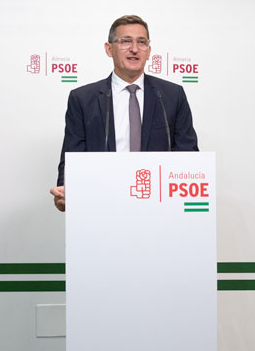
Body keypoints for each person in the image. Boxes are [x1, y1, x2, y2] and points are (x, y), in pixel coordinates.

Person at [50, 15, 199, 211]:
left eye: (142, 42)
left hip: (159, 207)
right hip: (102, 204)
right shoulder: (83, 99)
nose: (135, 49)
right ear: (109, 49)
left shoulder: (172, 95)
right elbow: (72, 157)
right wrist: (65, 190)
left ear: (149, 51)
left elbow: (188, 156)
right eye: (125, 41)